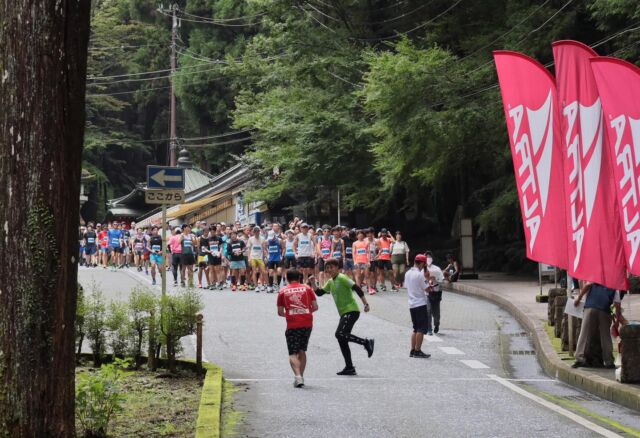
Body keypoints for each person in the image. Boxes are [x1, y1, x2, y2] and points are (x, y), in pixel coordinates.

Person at [309, 258, 374, 376]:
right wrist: (313, 282)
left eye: (331, 267)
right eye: (327, 268)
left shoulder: (342, 278)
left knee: (339, 334)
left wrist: (365, 304)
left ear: (337, 268)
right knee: (342, 338)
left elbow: (357, 288)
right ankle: (349, 367)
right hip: (344, 312)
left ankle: (366, 342)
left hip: (352, 310)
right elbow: (319, 293)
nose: (329, 270)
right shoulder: (330, 281)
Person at [277, 270, 319, 388]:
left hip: (292, 324)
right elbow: (315, 307)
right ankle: (301, 376)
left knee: (292, 353)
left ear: (287, 278)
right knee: (302, 350)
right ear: (299, 277)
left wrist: (291, 314)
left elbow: (280, 312)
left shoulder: (282, 291)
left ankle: (298, 376)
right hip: (307, 323)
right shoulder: (307, 288)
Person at [572, 282, 623, 369]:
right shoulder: (614, 284)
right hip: (605, 309)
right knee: (605, 336)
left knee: (584, 333)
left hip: (590, 307)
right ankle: (609, 361)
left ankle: (580, 359)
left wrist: (578, 299)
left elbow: (587, 286)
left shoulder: (596, 277)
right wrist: (617, 321)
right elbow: (617, 305)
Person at [404, 254, 431, 358]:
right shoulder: (420, 275)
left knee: (415, 328)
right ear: (422, 263)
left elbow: (406, 286)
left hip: (411, 304)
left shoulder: (407, 273)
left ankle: (412, 350)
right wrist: (427, 279)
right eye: (424, 264)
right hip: (420, 303)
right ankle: (418, 350)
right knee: (421, 329)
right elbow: (427, 289)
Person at [426, 252, 445, 335]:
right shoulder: (422, 269)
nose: (428, 258)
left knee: (436, 313)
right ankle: (429, 328)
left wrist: (435, 278)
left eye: (429, 257)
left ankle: (436, 324)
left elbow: (442, 280)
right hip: (426, 293)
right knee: (428, 310)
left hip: (436, 292)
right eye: (426, 257)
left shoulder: (437, 269)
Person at [248, 226, 268, 292]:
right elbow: (249, 249)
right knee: (254, 271)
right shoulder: (250, 239)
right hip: (253, 257)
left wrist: (265, 257)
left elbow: (264, 249)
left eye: (258, 231)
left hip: (260, 258)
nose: (257, 232)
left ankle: (266, 285)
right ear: (253, 232)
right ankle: (256, 286)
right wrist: (249, 258)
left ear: (259, 231)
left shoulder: (262, 239)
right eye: (255, 231)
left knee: (264, 271)